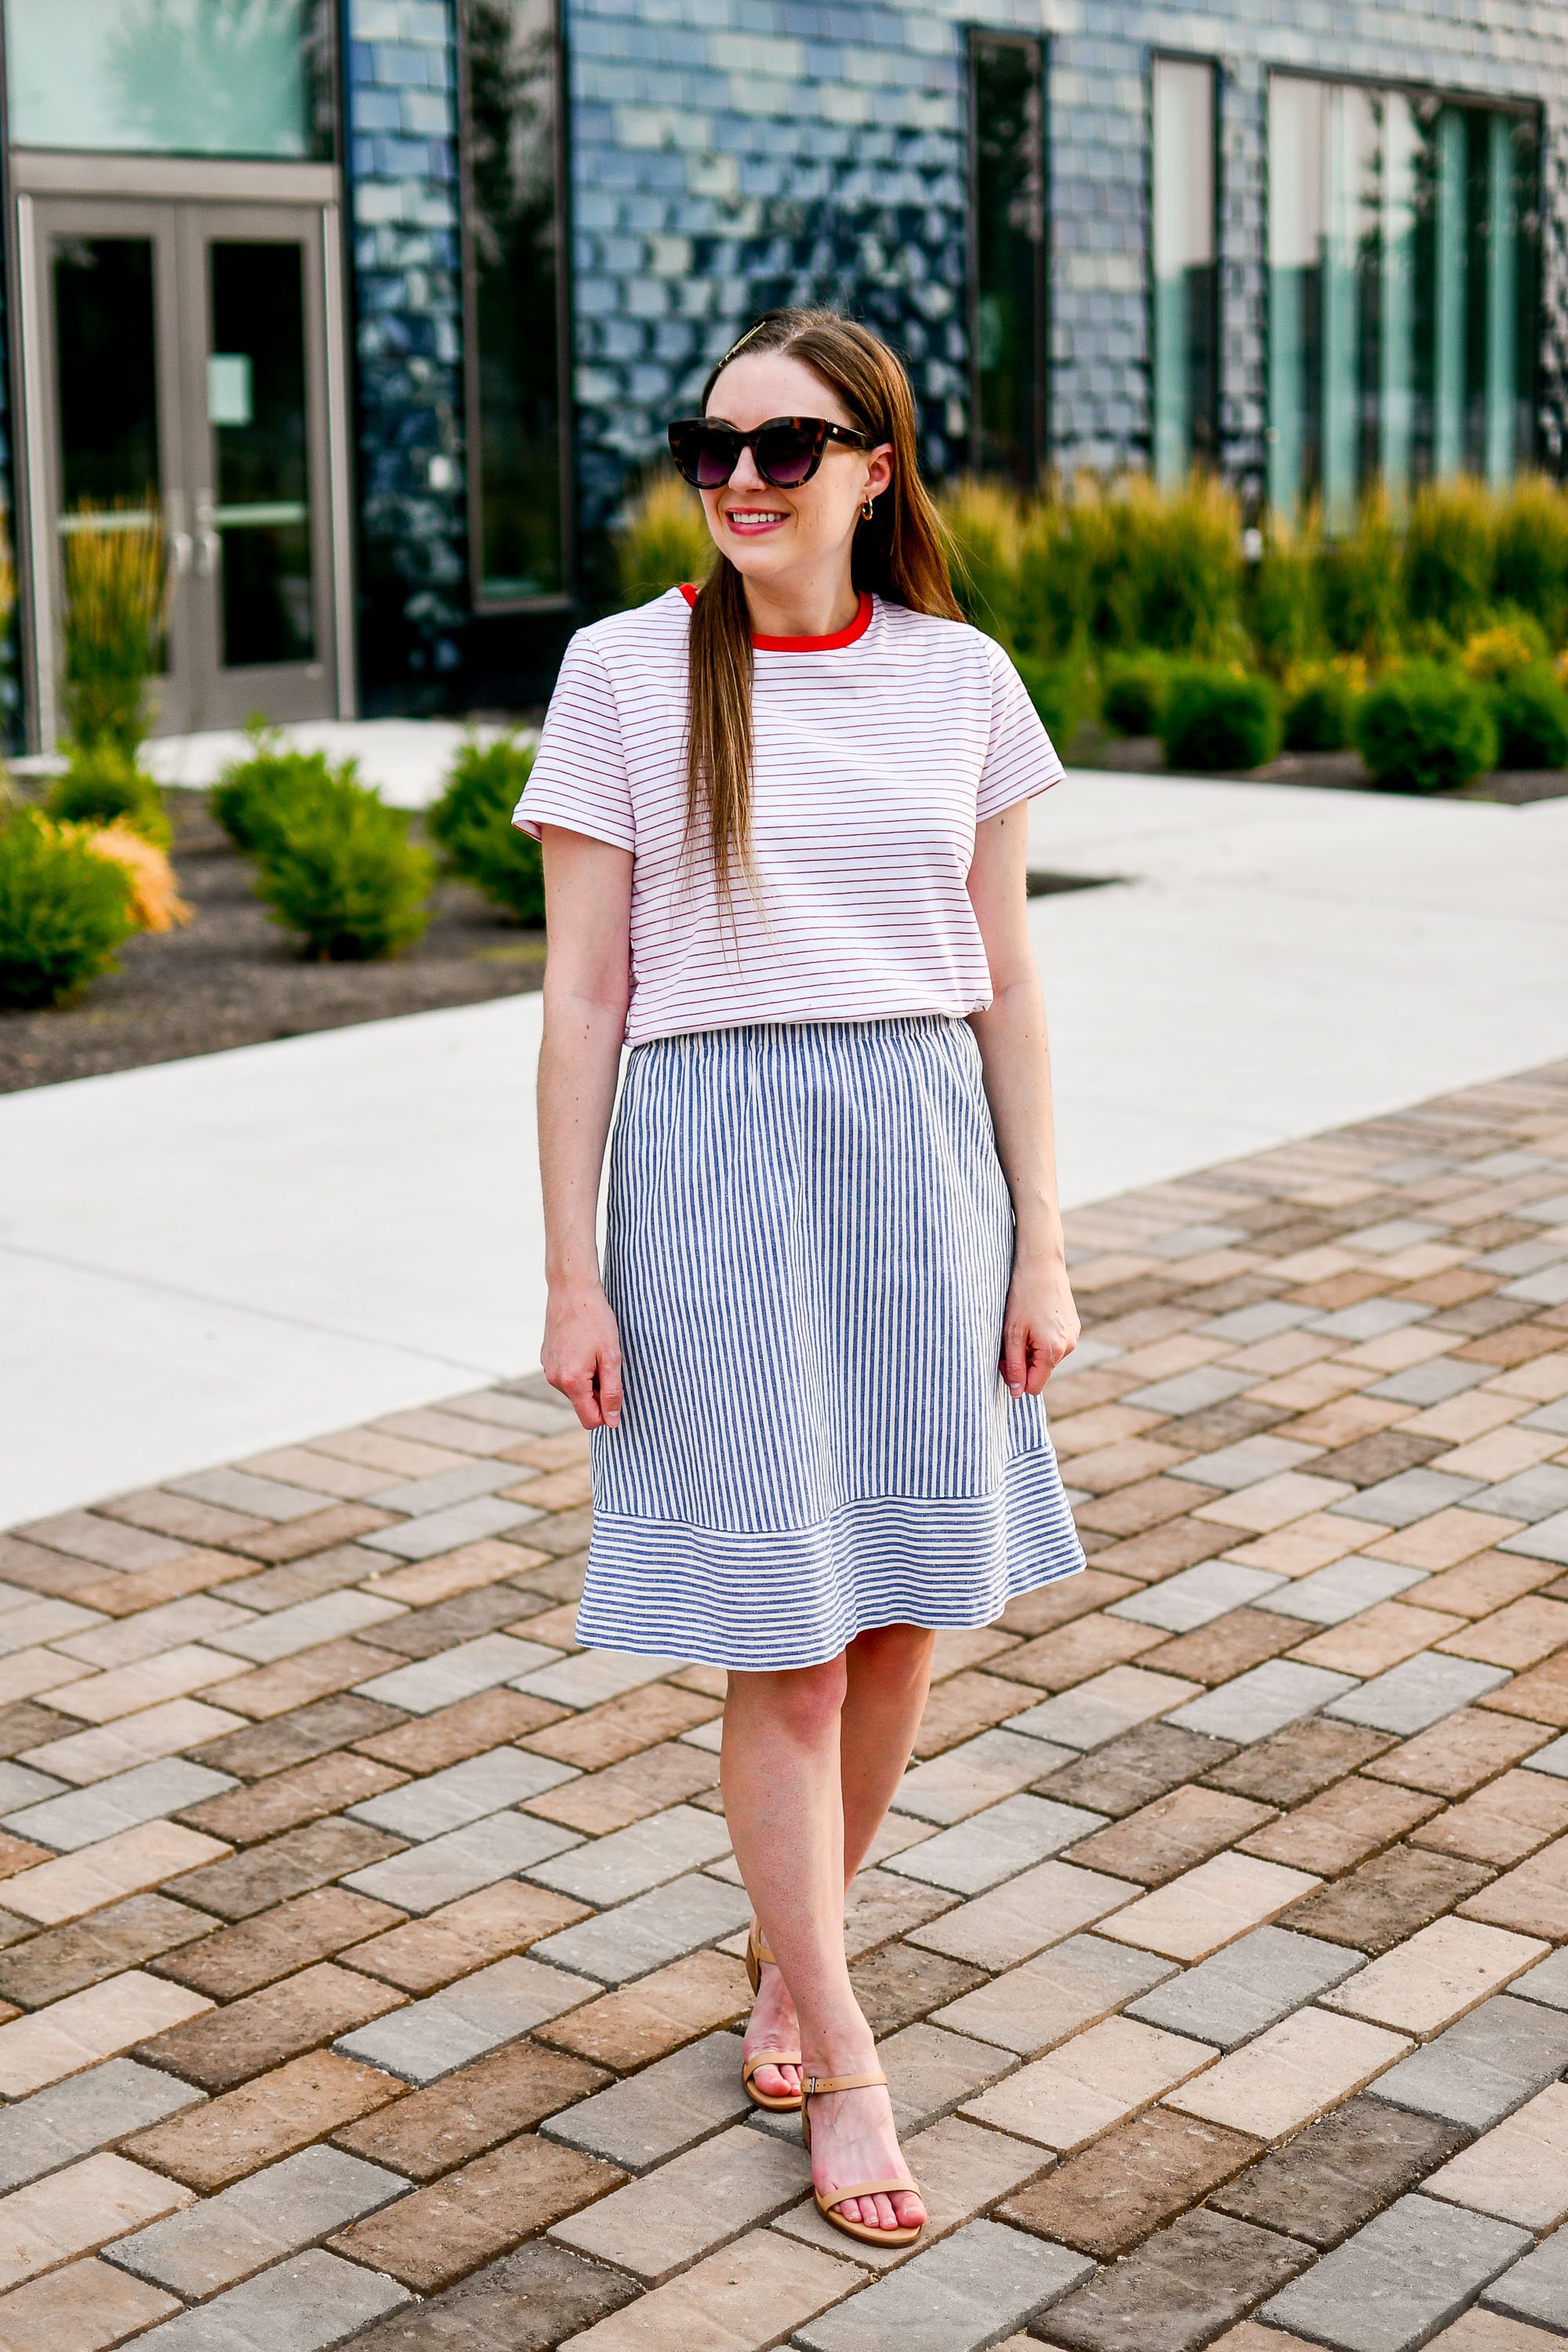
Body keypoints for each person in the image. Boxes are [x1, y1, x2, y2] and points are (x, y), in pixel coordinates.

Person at [517, 307, 1085, 2252]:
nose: (740, 479)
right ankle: (843, 2046)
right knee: (789, 1633)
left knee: (909, 1610)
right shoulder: (620, 676)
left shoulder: (962, 681)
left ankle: (791, 1961)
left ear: (873, 466)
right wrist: (571, 1274)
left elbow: (1003, 975)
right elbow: (584, 996)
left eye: (785, 446)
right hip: (718, 1177)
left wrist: (1044, 1238)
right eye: (712, 445)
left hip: (921, 1164)